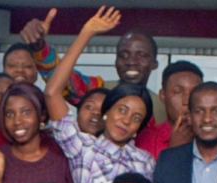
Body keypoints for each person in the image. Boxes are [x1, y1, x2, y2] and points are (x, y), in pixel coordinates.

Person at [44, 7, 155, 183]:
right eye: (122, 110)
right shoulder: (83, 146)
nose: (126, 120)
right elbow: (52, 92)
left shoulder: (145, 162)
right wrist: (87, 33)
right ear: (107, 112)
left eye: (136, 118)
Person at [21, 8, 166, 124]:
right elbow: (61, 81)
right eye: (124, 55)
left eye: (141, 55)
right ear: (116, 62)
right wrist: (39, 46)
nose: (131, 61)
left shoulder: (162, 107)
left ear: (154, 64)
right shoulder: (99, 90)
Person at [135, 61, 203, 160]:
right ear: (163, 96)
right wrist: (174, 152)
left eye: (195, 92)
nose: (187, 101)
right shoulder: (146, 139)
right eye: (178, 92)